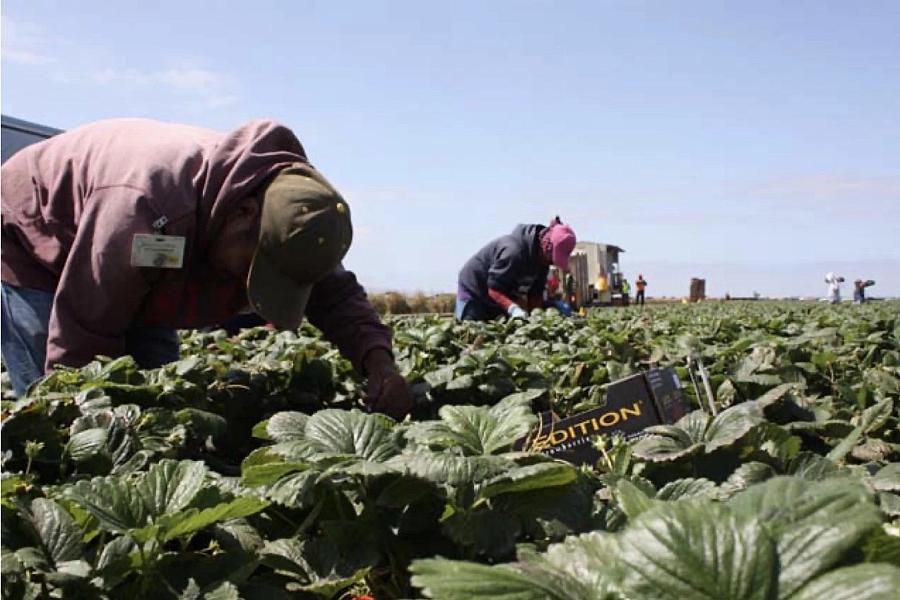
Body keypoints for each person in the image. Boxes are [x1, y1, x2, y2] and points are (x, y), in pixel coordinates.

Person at [0, 118, 412, 419]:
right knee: (60, 400)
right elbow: (84, 331)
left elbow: (335, 294)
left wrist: (380, 364)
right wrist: (83, 431)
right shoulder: (147, 209)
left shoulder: (296, 216)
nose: (249, 287)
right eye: (255, 269)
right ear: (243, 214)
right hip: (32, 236)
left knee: (153, 394)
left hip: (139, 259)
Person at [456, 218, 576, 321]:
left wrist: (538, 316)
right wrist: (513, 309)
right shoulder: (514, 251)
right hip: (474, 291)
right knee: (471, 333)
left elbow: (535, 295)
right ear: (546, 247)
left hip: (498, 297)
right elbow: (494, 289)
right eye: (553, 258)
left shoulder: (543, 262)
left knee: (497, 336)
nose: (551, 263)